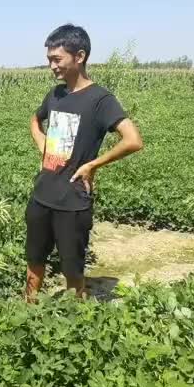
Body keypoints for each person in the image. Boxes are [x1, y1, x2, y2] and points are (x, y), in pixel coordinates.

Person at [25, 23, 144, 301]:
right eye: (49, 60)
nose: (52, 66)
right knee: (33, 260)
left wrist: (92, 165)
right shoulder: (56, 94)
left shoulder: (100, 100)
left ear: (79, 56)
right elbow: (34, 119)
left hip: (73, 200)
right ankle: (26, 312)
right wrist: (43, 145)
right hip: (42, 194)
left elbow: (133, 140)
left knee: (72, 267)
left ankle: (74, 319)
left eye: (57, 59)